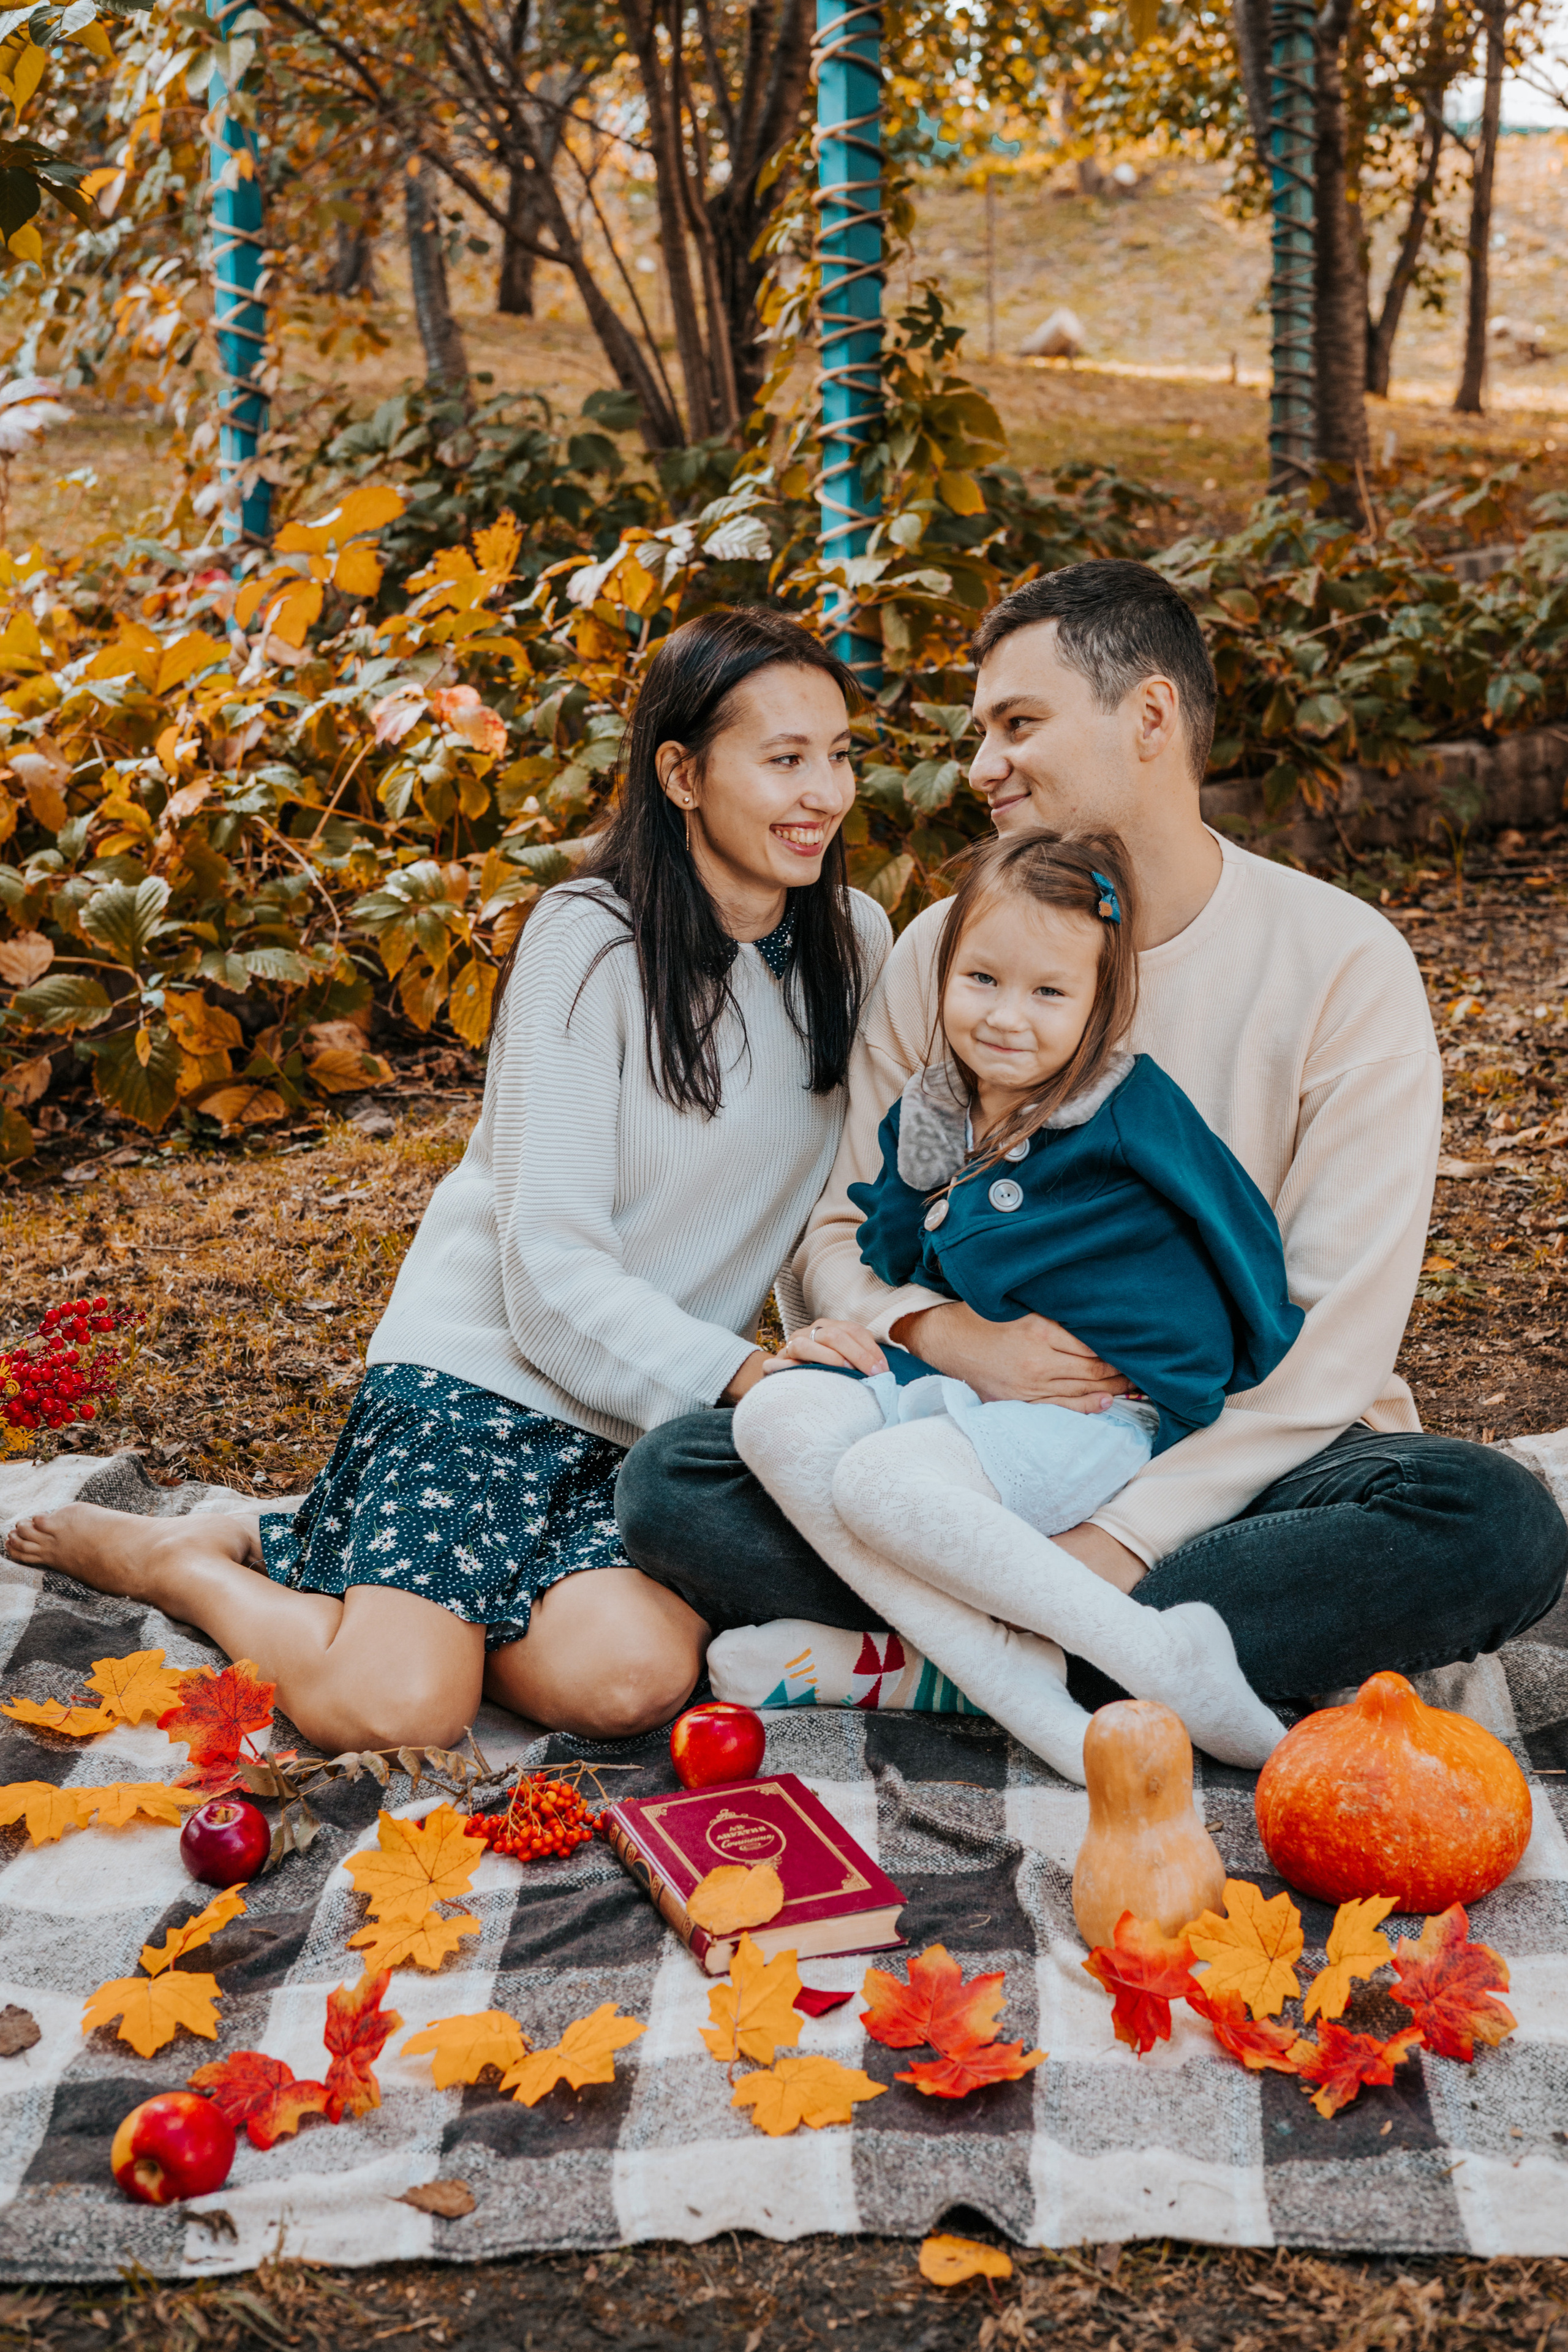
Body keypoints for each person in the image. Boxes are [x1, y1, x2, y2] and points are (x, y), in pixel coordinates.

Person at [617, 561, 1568, 1724]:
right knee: (677, 1481)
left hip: (1243, 1455)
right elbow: (838, 1234)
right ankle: (1097, 1654)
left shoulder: (1341, 961)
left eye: (1020, 724)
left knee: (1496, 1522)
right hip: (957, 1441)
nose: (982, 765)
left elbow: (1335, 1340)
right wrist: (950, 1334)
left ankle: (951, 1659)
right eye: (981, 731)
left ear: (1151, 717)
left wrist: (1120, 1536)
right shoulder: (943, 954)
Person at [4, 609, 891, 1754]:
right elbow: (549, 1268)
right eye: (784, 760)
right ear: (680, 772)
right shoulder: (590, 941)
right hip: (486, 1376)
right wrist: (753, 1376)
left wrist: (831, 1370)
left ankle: (346, 1566)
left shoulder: (856, 942)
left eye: (839, 755)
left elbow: (847, 1201)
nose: (823, 792)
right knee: (398, 1711)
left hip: (646, 1417)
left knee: (629, 1682)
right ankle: (189, 1562)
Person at [714, 826, 1302, 1779]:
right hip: (960, 1386)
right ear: (945, 970)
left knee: (880, 1487)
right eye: (981, 979)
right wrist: (893, 1320)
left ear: (1100, 1007)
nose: (1005, 1017)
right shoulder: (937, 1105)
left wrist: (1203, 1379)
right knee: (771, 1418)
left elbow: (1238, 1231)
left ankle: (1144, 1660)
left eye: (1049, 994)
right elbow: (891, 1241)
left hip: (1096, 1407)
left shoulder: (1126, 1105)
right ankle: (1016, 1669)